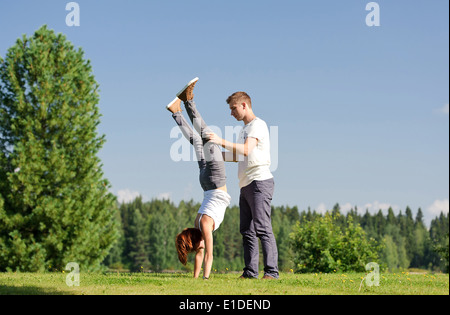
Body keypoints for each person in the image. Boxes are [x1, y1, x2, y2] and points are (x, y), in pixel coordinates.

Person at [207, 92, 279, 280]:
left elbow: (246, 150)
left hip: (259, 182)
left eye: (233, 108)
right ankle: (250, 272)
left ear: (245, 105)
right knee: (247, 230)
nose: (231, 113)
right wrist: (216, 155)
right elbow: (239, 155)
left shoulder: (258, 125)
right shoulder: (244, 130)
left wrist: (219, 140)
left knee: (262, 228)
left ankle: (271, 272)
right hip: (246, 185)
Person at [169, 78, 231, 280]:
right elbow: (202, 253)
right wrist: (195, 280)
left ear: (197, 241)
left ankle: (188, 101)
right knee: (198, 140)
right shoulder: (198, 223)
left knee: (207, 136)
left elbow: (209, 255)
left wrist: (205, 280)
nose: (200, 250)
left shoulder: (204, 225)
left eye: (196, 247)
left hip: (214, 181)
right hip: (205, 183)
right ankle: (176, 111)